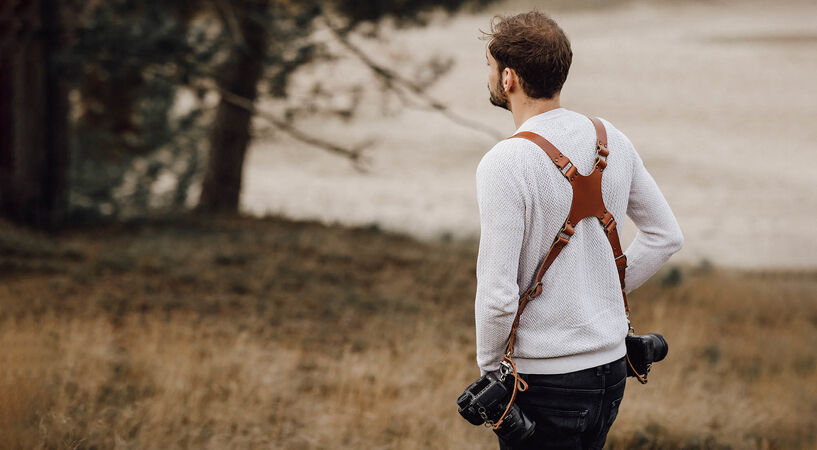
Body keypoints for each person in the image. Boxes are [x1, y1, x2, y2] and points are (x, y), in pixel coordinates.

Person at [474, 11, 684, 449]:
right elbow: (665, 236)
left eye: (490, 68)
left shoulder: (505, 163)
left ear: (508, 78)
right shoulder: (611, 138)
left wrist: (491, 373)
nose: (490, 76)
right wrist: (600, 293)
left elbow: (497, 295)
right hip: (611, 372)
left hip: (545, 382)